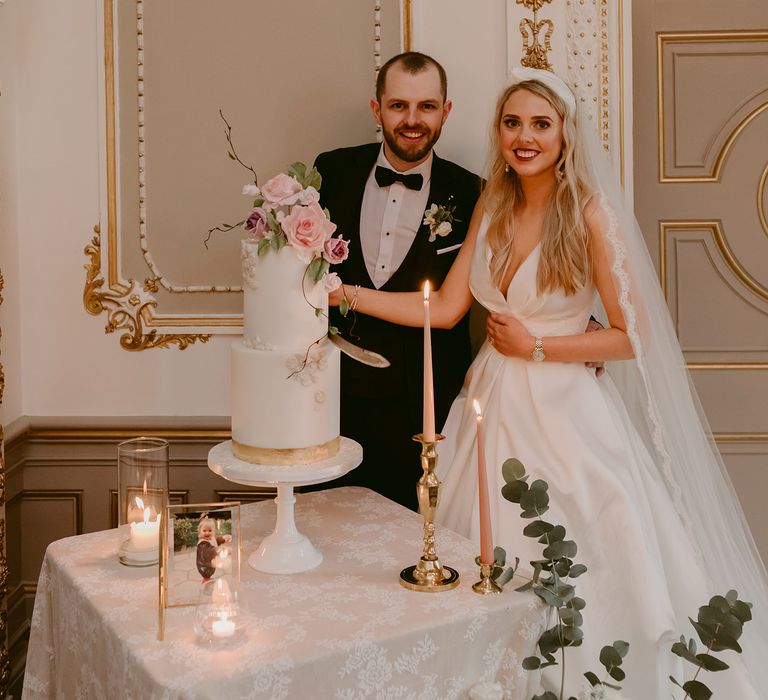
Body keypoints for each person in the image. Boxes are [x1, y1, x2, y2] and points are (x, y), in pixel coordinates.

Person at [329, 68, 767, 698]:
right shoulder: (493, 202)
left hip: (566, 416)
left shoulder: (590, 212)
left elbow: (632, 335)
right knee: (472, 555)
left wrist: (539, 345)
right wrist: (348, 294)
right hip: (488, 404)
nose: (525, 137)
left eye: (540, 123)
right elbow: (446, 309)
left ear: (565, 133)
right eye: (512, 123)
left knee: (580, 560)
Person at [312, 52, 482, 510]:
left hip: (425, 406)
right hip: (334, 399)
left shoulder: (473, 192)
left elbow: (515, 264)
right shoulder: (331, 172)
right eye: (398, 106)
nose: (412, 120)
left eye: (427, 106)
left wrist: (575, 319)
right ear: (377, 109)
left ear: (446, 111)